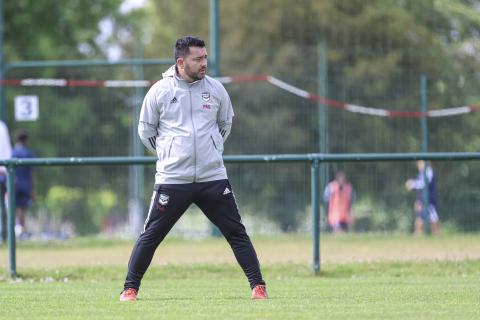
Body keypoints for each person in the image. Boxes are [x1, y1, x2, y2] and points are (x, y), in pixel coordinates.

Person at [120, 36, 267, 301]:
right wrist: (171, 154)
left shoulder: (217, 89)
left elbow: (225, 125)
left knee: (236, 233)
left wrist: (209, 151)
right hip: (173, 179)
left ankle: (258, 287)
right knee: (151, 236)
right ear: (180, 62)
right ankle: (129, 289)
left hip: (213, 178)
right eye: (197, 59)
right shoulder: (159, 91)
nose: (204, 63)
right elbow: (146, 131)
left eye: (205, 58)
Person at [405, 160, 440, 235]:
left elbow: (424, 184)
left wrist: (412, 184)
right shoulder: (421, 173)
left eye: (420, 163)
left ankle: (436, 233)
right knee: (420, 216)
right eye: (418, 163)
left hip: (430, 200)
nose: (418, 165)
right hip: (423, 200)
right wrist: (419, 199)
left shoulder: (428, 171)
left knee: (433, 219)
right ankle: (418, 233)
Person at [12, 130, 35, 238]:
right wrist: (33, 188)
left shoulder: (13, 152)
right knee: (23, 209)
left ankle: (18, 230)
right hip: (25, 184)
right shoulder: (28, 153)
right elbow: (32, 172)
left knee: (15, 208)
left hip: (14, 183)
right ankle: (22, 231)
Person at [0, 120, 12, 242]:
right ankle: (3, 235)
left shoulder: (2, 126)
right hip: (3, 171)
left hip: (2, 172)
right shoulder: (2, 126)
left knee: (4, 206)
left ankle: (3, 235)